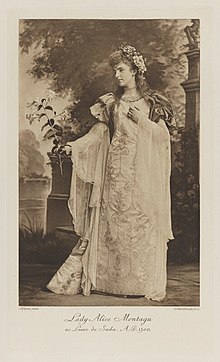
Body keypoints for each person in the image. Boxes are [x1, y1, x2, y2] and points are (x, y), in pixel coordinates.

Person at [46, 45, 175, 301]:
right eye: (115, 70)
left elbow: (162, 137)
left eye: (121, 69)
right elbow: (99, 134)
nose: (116, 74)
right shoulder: (111, 103)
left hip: (140, 176)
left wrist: (141, 120)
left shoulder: (152, 104)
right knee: (112, 227)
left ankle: (137, 284)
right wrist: (74, 146)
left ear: (135, 71)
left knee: (137, 225)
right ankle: (108, 281)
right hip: (114, 175)